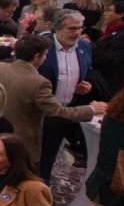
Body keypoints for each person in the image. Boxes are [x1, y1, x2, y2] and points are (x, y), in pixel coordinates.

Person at [0, 36, 102, 166]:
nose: (46, 58)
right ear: (37, 57)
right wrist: (92, 109)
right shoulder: (39, 83)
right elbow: (59, 112)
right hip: (19, 143)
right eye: (45, 55)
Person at [35, 11, 99, 180]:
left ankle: (41, 194)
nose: (77, 32)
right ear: (57, 28)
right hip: (38, 113)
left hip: (65, 113)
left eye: (80, 28)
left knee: (48, 158)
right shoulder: (42, 46)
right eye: (72, 28)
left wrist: (87, 85)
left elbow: (88, 71)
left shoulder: (84, 47)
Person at [90, 1, 124, 97]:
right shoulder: (116, 30)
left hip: (108, 84)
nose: (105, 14)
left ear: (120, 15)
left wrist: (90, 45)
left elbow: (110, 59)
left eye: (109, 11)